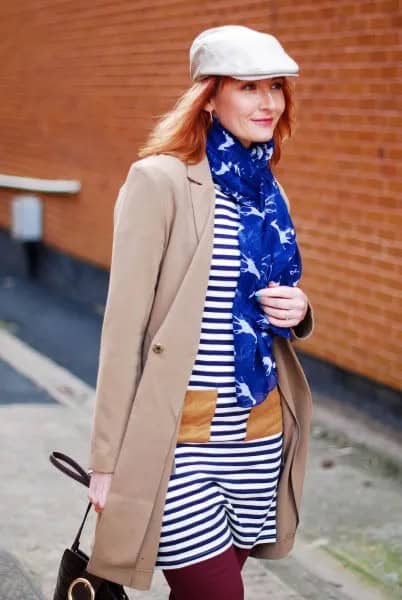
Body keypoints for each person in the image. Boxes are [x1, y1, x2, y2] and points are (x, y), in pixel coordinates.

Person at [86, 25, 314, 600]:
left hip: (257, 438)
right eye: (248, 87)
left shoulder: (270, 190)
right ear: (209, 96)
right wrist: (107, 462)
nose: (268, 102)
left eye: (276, 88)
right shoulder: (160, 181)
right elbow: (125, 329)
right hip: (181, 445)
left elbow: (274, 302)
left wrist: (300, 309)